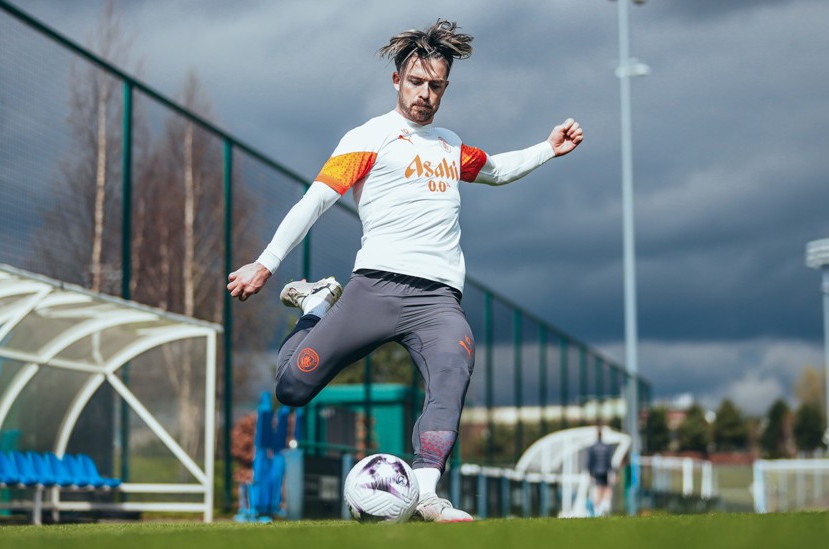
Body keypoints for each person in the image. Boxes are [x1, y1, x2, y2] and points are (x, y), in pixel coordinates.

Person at [227, 20, 584, 522]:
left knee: (452, 373)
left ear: (445, 87)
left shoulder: (449, 144)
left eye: (435, 85)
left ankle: (427, 494)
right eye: (416, 82)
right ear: (397, 79)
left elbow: (497, 171)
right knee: (291, 389)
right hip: (374, 290)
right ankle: (314, 306)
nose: (425, 94)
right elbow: (315, 202)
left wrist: (549, 148)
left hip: (438, 301)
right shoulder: (368, 138)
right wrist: (265, 264)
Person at [586, 427, 616, 517]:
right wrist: (613, 472)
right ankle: (604, 509)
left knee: (598, 490)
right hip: (604, 471)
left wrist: (590, 472)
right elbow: (609, 461)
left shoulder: (592, 447)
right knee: (607, 489)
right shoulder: (607, 447)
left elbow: (590, 461)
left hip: (596, 471)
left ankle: (597, 510)